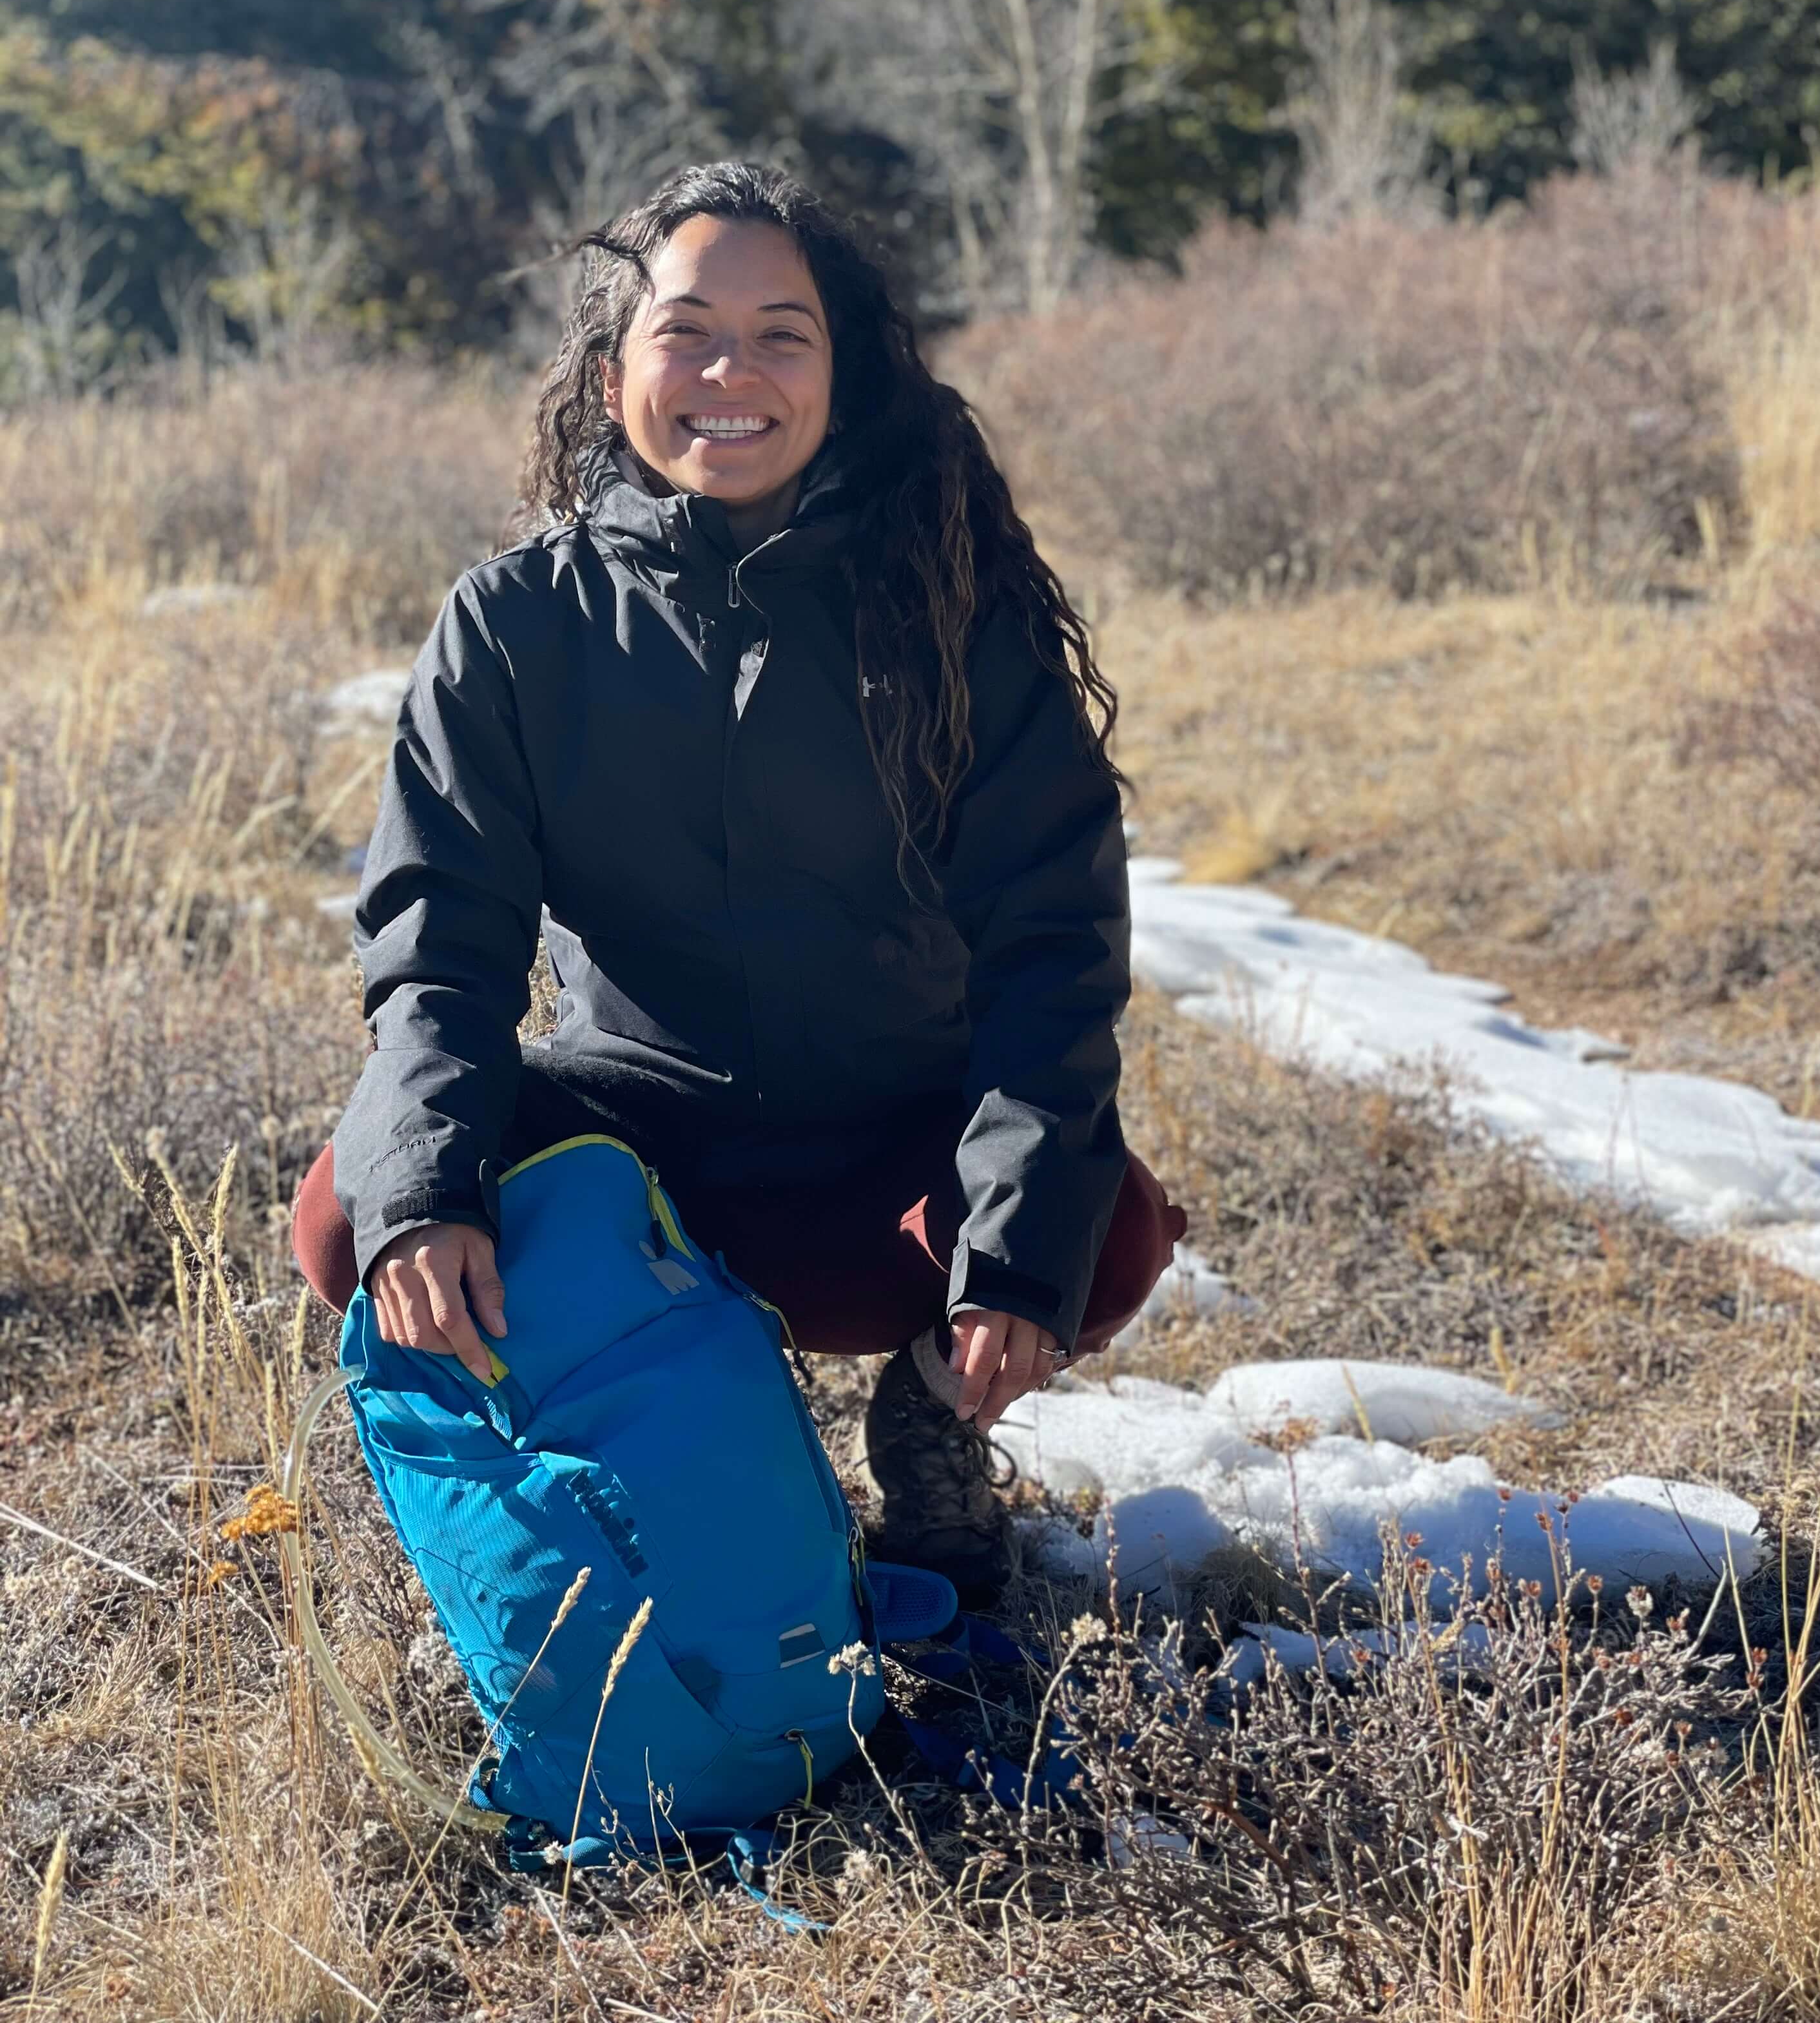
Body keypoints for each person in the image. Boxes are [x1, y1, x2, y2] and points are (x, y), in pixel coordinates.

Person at [291, 160, 1186, 1598]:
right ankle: (660, 1441)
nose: (733, 373)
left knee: (1106, 1225)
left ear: (846, 374)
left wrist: (1016, 1251)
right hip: (641, 1153)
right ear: (608, 373)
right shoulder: (516, 625)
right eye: (688, 330)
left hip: (889, 1156)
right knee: (358, 1210)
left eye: (784, 334)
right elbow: (439, 946)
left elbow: (1052, 948)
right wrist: (430, 1190)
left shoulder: (953, 606)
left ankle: (932, 1414)